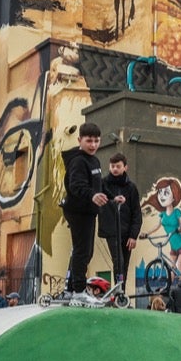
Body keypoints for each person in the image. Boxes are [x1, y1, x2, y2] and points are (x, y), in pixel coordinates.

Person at [60, 123, 107, 293]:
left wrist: (111, 195)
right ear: (80, 140)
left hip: (89, 211)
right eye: (89, 141)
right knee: (82, 251)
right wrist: (92, 195)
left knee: (87, 253)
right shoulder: (78, 161)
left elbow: (98, 184)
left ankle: (72, 288)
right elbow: (76, 185)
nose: (93, 145)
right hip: (77, 210)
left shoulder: (94, 160)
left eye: (96, 141)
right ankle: (79, 291)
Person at [100, 152, 140, 284]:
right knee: (118, 261)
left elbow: (136, 213)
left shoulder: (131, 188)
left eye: (118, 166)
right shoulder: (103, 184)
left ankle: (120, 293)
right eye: (112, 166)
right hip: (111, 230)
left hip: (127, 232)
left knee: (125, 264)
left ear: (125, 167)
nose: (115, 169)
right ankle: (118, 293)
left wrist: (133, 235)